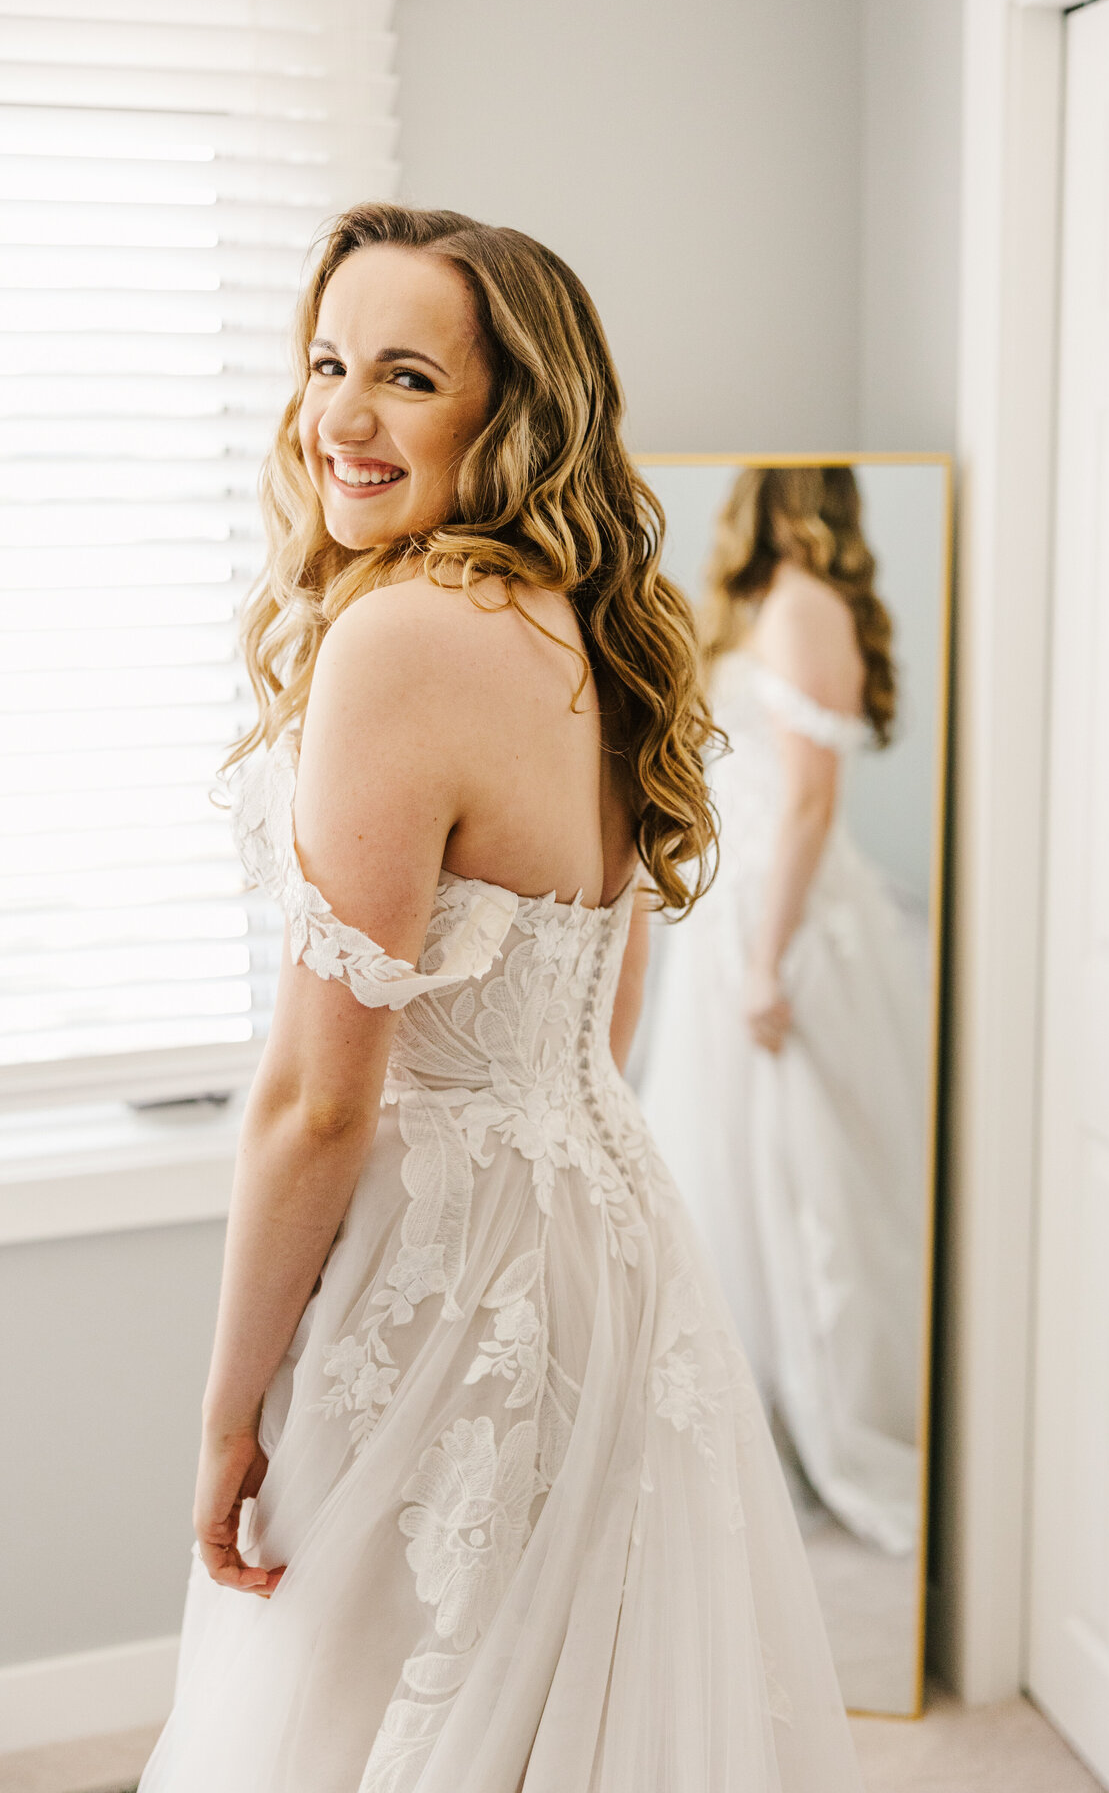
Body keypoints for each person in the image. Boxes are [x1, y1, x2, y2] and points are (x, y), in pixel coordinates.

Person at [138, 208, 863, 1792]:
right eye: (328, 362)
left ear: (512, 413)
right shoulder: (594, 632)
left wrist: (224, 1415)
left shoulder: (397, 637)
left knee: (365, 1710)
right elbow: (604, 1005)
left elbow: (320, 1098)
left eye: (406, 375)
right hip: (606, 1236)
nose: (341, 414)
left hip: (443, 1263)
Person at [638, 466, 927, 1558]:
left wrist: (765, 959)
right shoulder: (777, 600)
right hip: (745, 916)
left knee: (803, 1180)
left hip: (783, 925)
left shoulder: (804, 603)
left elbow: (810, 797)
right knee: (729, 1171)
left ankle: (826, 1417)